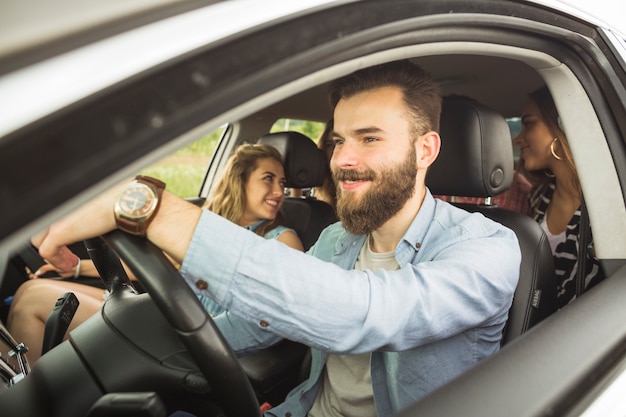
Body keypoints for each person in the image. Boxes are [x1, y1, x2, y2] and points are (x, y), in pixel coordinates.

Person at [32, 60, 520, 417]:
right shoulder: (336, 239)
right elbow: (258, 326)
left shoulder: (487, 249)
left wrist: (155, 210)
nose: (342, 160)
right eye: (337, 141)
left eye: (369, 138)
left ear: (425, 149)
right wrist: (150, 335)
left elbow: (364, 313)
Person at [7, 143, 303, 365]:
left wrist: (191, 339)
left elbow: (273, 314)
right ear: (239, 180)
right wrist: (70, 269)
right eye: (268, 178)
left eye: (283, 183)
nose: (280, 191)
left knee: (33, 301)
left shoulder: (282, 238)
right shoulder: (206, 224)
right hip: (159, 312)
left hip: (188, 335)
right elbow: (145, 267)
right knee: (27, 290)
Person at [513, 86, 604, 308]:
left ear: (563, 125)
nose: (518, 138)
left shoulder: (606, 208)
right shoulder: (536, 197)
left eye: (529, 123)